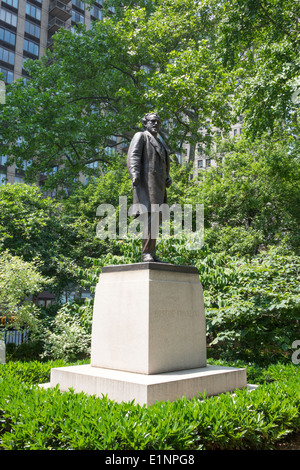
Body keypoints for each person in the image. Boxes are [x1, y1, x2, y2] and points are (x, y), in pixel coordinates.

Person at [127, 113, 172, 262]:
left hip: (158, 186)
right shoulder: (141, 136)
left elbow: (164, 163)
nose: (155, 124)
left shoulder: (160, 141)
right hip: (146, 183)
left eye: (158, 122)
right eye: (152, 121)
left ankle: (151, 252)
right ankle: (146, 253)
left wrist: (167, 176)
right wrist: (134, 174)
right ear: (145, 123)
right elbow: (133, 156)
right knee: (150, 217)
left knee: (156, 219)